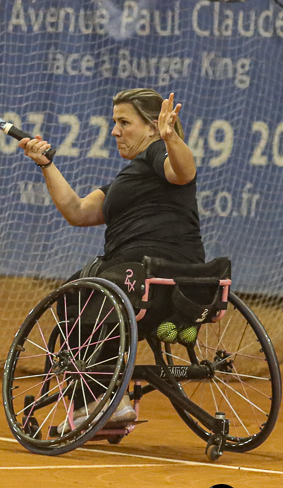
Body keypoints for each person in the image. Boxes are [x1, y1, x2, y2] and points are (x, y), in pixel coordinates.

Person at [18, 88, 204, 431]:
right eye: (114, 122)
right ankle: (107, 398)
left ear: (152, 127)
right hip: (185, 286)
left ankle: (97, 402)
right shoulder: (131, 178)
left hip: (145, 277)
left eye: (124, 122)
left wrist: (170, 138)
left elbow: (184, 171)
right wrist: (46, 165)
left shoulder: (158, 153)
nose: (115, 131)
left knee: (78, 293)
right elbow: (78, 211)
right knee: (91, 289)